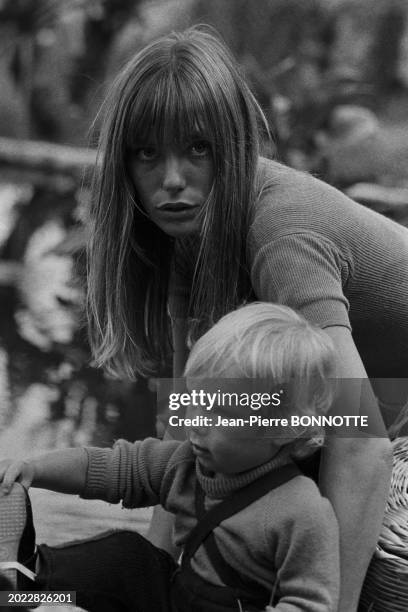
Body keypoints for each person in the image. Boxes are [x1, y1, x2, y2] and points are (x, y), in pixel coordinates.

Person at [83, 25, 403, 610]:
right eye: (148, 153)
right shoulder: (191, 231)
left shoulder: (280, 233)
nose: (172, 179)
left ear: (232, 147)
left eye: (197, 148)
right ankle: (40, 594)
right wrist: (159, 579)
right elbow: (188, 419)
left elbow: (361, 445)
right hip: (375, 396)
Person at [0, 303, 340, 611]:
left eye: (218, 412)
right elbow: (111, 467)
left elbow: (310, 602)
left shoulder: (302, 511)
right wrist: (35, 469)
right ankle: (25, 583)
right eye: (194, 401)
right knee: (127, 557)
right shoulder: (184, 462)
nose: (195, 421)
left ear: (282, 429)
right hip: (173, 601)